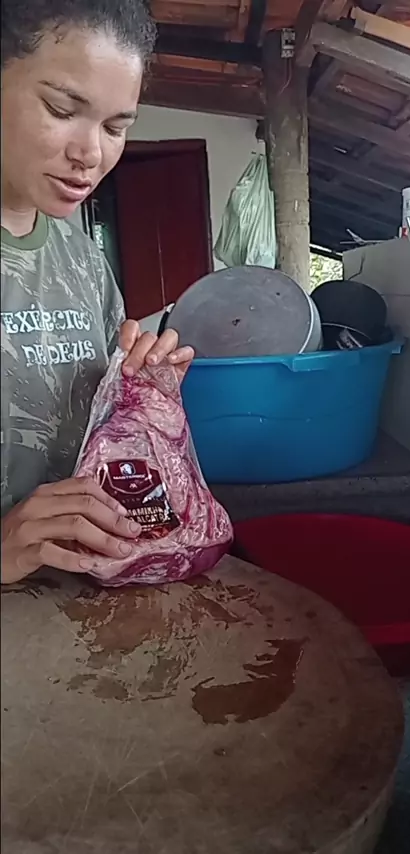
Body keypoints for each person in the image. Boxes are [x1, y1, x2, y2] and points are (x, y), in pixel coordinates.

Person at [1, 0, 194, 584]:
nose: (90, 154)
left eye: (115, 127)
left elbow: (95, 431)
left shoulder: (81, 259)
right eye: (62, 110)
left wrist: (141, 390)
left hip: (77, 600)